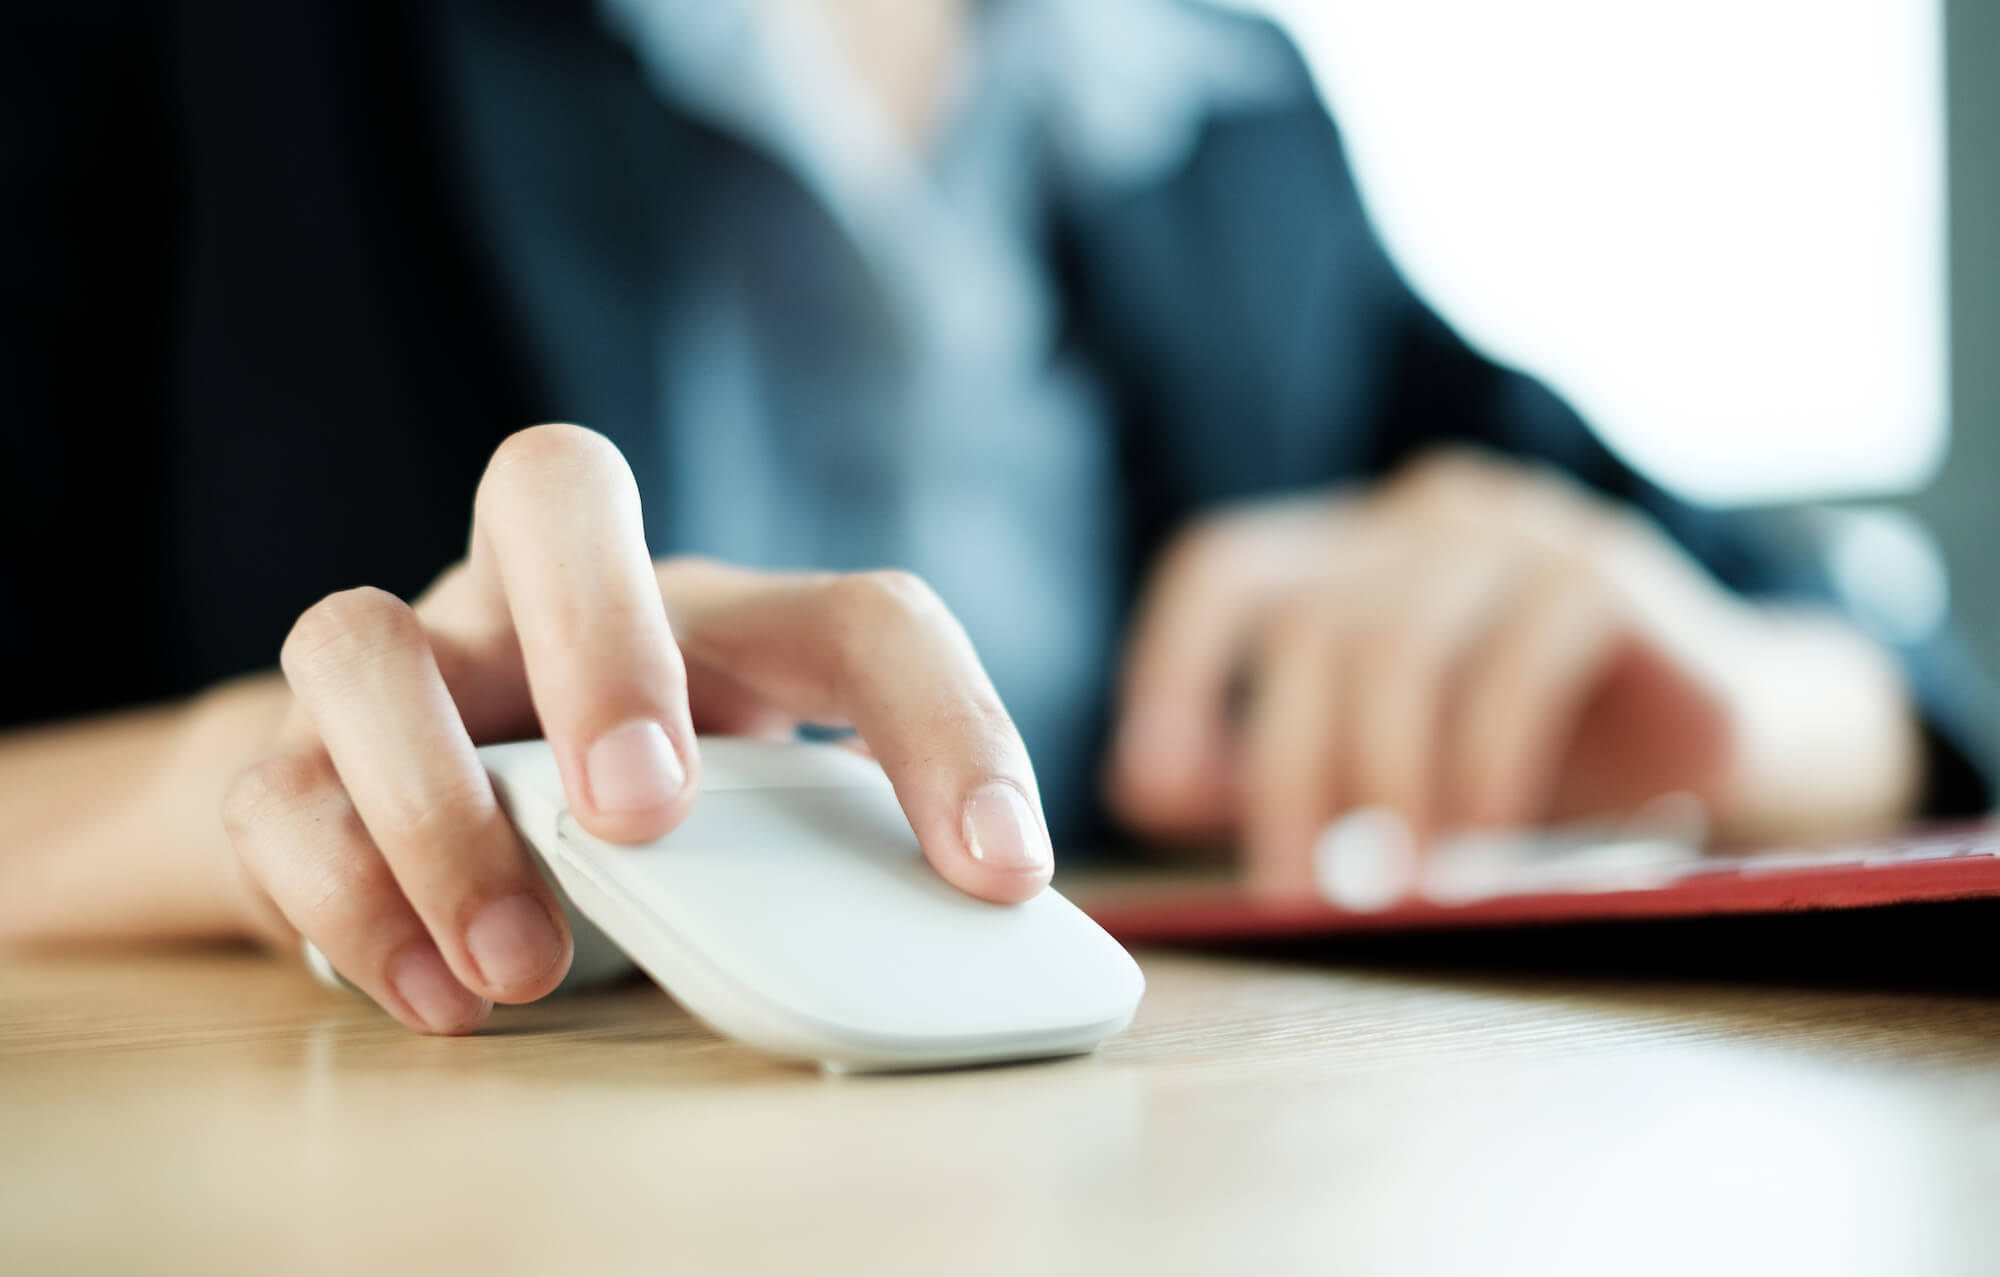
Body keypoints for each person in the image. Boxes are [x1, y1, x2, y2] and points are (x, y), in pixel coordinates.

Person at [3, 0, 1988, 1035]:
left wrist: (1755, 702)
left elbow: (1890, 680)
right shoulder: (199, 56)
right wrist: (221, 801)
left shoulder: (1222, 118)